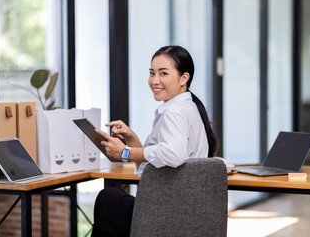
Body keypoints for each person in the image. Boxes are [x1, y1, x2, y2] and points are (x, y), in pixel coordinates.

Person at [91, 45, 217, 237]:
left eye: (163, 73)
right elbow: (154, 163)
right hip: (186, 213)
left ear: (184, 77)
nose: (154, 80)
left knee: (108, 198)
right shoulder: (189, 107)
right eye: (152, 73)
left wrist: (125, 152)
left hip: (167, 214)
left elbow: (173, 155)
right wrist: (132, 138)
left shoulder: (173, 111)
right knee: (113, 201)